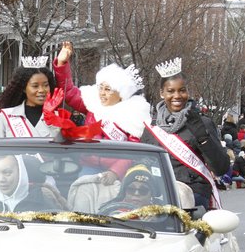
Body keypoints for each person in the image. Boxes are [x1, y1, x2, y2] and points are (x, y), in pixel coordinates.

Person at [142, 58, 230, 210]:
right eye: (171, 91)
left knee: (181, 199)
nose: (177, 96)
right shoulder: (152, 127)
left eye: (182, 90)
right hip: (158, 191)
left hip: (193, 192)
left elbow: (221, 168)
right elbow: (142, 163)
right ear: (162, 93)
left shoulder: (202, 123)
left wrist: (203, 138)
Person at [52, 41, 152, 142]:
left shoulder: (132, 115)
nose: (102, 93)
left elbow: (132, 152)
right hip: (86, 156)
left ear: (121, 94)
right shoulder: (93, 104)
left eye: (108, 89)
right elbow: (69, 92)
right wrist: (61, 63)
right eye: (101, 88)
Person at [0, 60, 60, 139]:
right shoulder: (6, 116)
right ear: (24, 88)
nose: (41, 90)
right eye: (35, 86)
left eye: (46, 85)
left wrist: (51, 119)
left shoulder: (59, 116)